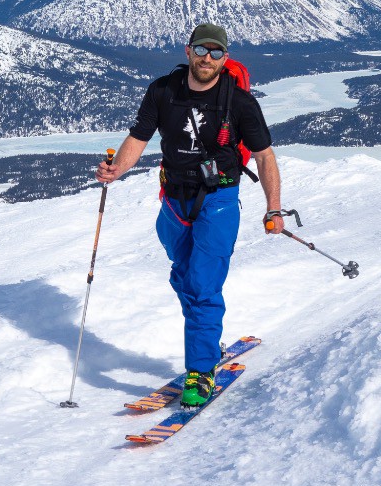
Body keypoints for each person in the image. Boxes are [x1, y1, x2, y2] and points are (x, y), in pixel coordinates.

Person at [95, 23, 285, 407]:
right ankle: (207, 334)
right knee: (182, 275)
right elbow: (139, 137)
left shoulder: (241, 103)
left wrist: (273, 208)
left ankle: (200, 370)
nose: (207, 58)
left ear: (225, 58)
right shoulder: (163, 91)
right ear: (188, 51)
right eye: (202, 50)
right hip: (173, 199)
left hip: (218, 200)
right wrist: (118, 169)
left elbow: (265, 157)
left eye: (216, 53)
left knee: (201, 285)